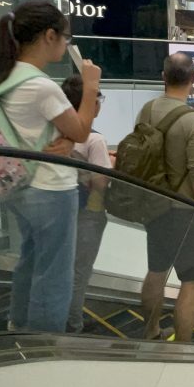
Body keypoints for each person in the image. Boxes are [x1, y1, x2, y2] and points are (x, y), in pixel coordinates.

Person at [0, 0, 102, 333]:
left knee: (30, 261)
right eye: (65, 37)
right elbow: (82, 130)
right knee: (55, 275)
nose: (66, 44)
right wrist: (91, 86)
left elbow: (36, 130)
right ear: (49, 36)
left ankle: (19, 326)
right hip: (51, 189)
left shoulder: (6, 76)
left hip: (20, 187)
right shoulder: (42, 86)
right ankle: (46, 345)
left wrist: (66, 139)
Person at [139, 52, 194, 343]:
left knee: (156, 271)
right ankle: (182, 348)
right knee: (191, 281)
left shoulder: (147, 110)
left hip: (154, 205)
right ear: (193, 79)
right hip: (186, 212)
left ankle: (151, 332)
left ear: (163, 77)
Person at [62, 74, 112, 333]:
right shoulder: (95, 140)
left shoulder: (58, 132)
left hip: (61, 207)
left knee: (61, 266)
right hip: (89, 212)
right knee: (80, 270)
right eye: (97, 98)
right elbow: (101, 182)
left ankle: (55, 316)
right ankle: (73, 324)